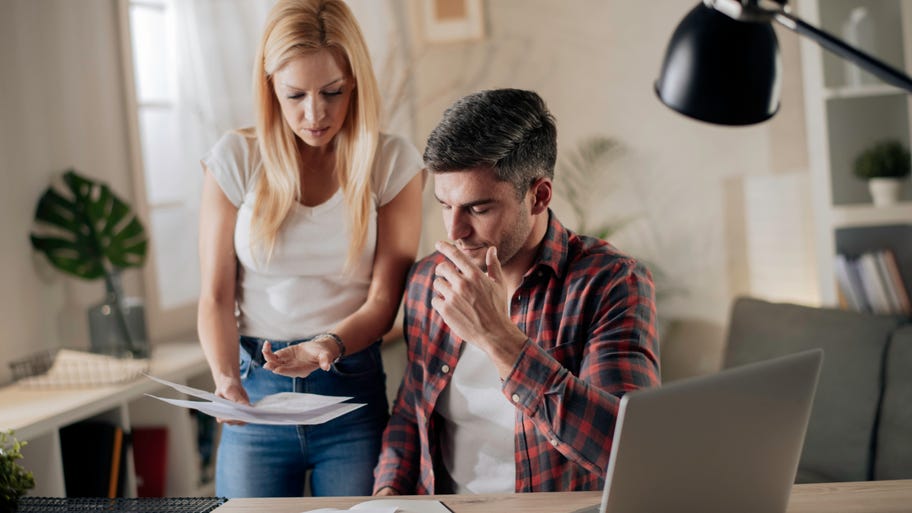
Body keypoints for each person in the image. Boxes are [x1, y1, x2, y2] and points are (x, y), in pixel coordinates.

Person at [372, 89, 660, 496]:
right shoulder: (427, 280)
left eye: (478, 208)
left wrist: (499, 338)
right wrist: (386, 496)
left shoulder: (610, 284)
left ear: (539, 196)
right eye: (444, 205)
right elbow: (409, 414)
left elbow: (628, 450)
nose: (453, 232)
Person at [197, 0, 424, 498]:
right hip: (255, 394)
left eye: (333, 92)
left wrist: (328, 344)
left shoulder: (392, 163)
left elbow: (386, 301)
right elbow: (215, 297)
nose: (314, 113)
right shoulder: (235, 158)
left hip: (349, 388)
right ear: (270, 87)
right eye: (295, 94)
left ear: (355, 82)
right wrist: (225, 379)